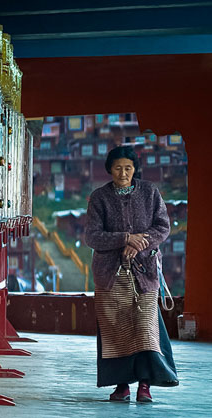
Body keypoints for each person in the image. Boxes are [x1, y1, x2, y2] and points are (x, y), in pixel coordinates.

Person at [84, 146, 179, 402]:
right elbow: (92, 237)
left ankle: (145, 385)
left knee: (145, 328)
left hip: (144, 273)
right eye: (117, 168)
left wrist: (138, 243)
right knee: (116, 330)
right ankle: (121, 385)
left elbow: (162, 227)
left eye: (128, 168)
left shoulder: (150, 192)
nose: (123, 173)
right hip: (109, 275)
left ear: (135, 169)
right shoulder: (100, 197)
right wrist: (125, 238)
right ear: (109, 170)